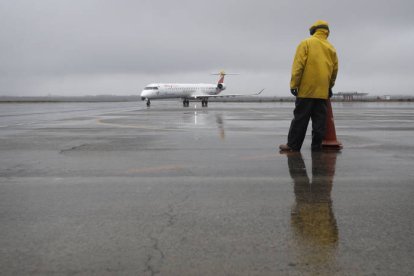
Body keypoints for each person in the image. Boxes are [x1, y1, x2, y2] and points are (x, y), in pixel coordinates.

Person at [279, 20, 338, 152]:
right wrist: (329, 86)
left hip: (306, 90)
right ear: (327, 32)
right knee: (319, 122)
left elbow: (298, 66)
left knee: (300, 119)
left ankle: (293, 146)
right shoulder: (331, 48)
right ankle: (316, 148)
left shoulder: (306, 43)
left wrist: (294, 84)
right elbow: (334, 71)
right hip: (322, 92)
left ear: (313, 30)